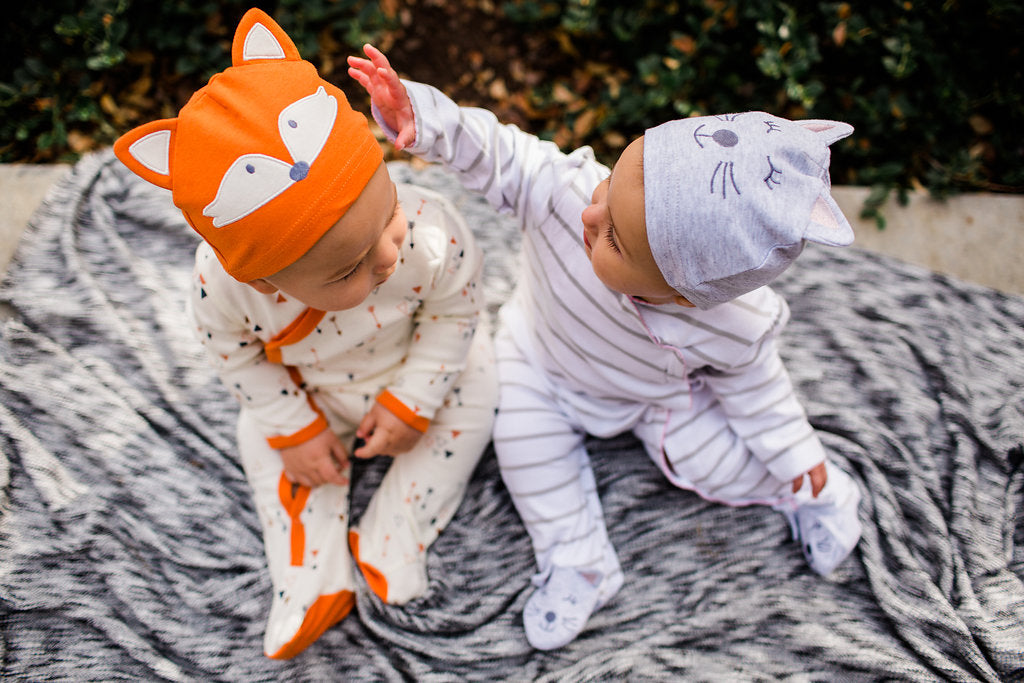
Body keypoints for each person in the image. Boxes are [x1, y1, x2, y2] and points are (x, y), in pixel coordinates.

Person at [348, 45, 864, 651]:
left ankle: (819, 492)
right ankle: (579, 562)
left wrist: (796, 456)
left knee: (718, 463)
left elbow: (760, 393)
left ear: (685, 297)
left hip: (653, 397)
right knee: (522, 446)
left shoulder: (734, 324)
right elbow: (496, 149)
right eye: (611, 180)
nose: (589, 214)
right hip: (540, 358)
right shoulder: (566, 192)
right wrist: (425, 116)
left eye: (613, 237)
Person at [113, 10, 497, 659]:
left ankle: (394, 533)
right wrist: (295, 426)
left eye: (387, 206)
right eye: (349, 267)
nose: (388, 252)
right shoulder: (225, 285)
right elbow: (233, 355)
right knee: (263, 440)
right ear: (268, 284)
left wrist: (415, 399)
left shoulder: (430, 231)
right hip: (313, 386)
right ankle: (309, 578)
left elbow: (457, 312)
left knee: (481, 385)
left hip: (413, 361)